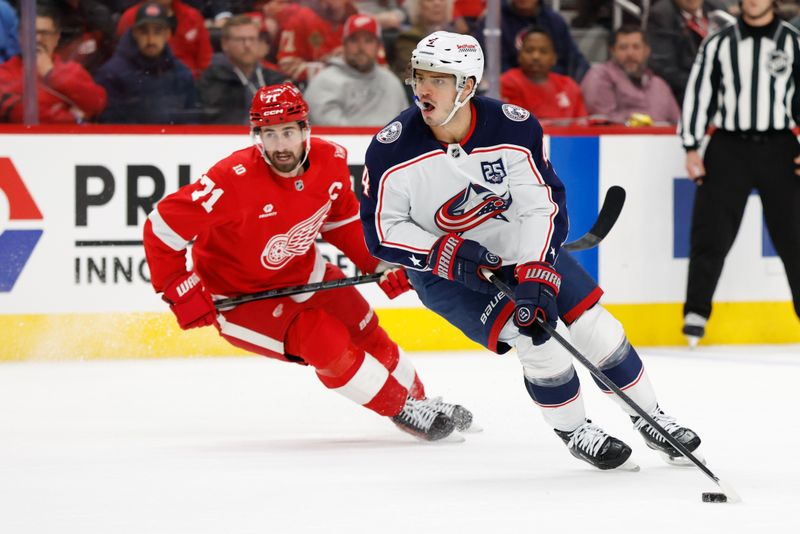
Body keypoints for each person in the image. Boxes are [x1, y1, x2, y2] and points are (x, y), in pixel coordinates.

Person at [360, 31, 702, 470]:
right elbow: (382, 231)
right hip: (445, 274)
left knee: (596, 326)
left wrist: (535, 270)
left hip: (517, 249)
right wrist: (446, 252)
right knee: (536, 337)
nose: (423, 89)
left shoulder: (513, 126)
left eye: (439, 79)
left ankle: (652, 417)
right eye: (419, 77)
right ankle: (576, 429)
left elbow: (541, 205)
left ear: (467, 85)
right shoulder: (391, 149)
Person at [143, 82, 473, 442]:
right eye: (269, 134)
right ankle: (402, 409)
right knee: (321, 337)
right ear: (257, 136)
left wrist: (376, 263)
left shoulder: (330, 160)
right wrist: (178, 286)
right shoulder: (230, 180)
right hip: (240, 299)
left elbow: (342, 219)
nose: (281, 145)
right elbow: (161, 227)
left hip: (306, 274)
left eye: (288, 132)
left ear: (305, 130)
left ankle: (421, 400)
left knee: (365, 328)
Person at [679, 0, 800, 346]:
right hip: (729, 147)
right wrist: (690, 145)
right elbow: (699, 93)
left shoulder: (793, 42)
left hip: (780, 147)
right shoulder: (719, 43)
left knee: (794, 238)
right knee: (710, 233)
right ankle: (696, 313)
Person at [0, 5, 106, 123]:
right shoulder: (4, 73)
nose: (38, 39)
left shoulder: (73, 70)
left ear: (56, 37)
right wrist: (73, 118)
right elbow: (21, 114)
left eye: (45, 33)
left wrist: (51, 73)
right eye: (31, 33)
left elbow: (97, 104)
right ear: (20, 36)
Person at [95, 2, 197, 124]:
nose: (150, 40)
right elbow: (108, 127)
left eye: (157, 32)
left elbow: (192, 123)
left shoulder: (181, 74)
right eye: (144, 32)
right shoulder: (111, 74)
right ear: (135, 33)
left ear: (167, 34)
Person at [304, 13, 407, 126]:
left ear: (378, 46)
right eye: (354, 40)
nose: (361, 47)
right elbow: (330, 131)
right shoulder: (324, 82)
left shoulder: (391, 82)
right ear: (344, 44)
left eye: (368, 41)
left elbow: (405, 125)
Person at [580, 25, 680, 125]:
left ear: (647, 51)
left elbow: (678, 124)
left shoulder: (659, 85)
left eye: (636, 47)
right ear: (612, 51)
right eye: (623, 48)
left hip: (662, 140)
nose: (630, 53)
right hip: (617, 140)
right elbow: (602, 122)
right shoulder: (600, 76)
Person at [198, 14, 286, 124]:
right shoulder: (213, 80)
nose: (247, 45)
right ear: (225, 43)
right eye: (241, 39)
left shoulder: (274, 79)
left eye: (252, 39)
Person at [474, 0, 589, 82]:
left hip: (553, 90)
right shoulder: (492, 22)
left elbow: (574, 61)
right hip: (511, 89)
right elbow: (488, 66)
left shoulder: (555, 21)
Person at [500, 27, 586, 122]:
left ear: (554, 58)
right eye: (529, 50)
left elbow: (582, 124)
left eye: (543, 51)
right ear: (519, 56)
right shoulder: (507, 82)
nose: (535, 56)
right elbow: (515, 125)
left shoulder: (569, 85)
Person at [647, 0, 723, 104]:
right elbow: (664, 68)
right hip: (685, 90)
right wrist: (704, 84)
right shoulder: (662, 14)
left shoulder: (716, 10)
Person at [116, 0, 213, 78]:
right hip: (146, 86)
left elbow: (205, 61)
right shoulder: (130, 18)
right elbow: (123, 63)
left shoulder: (193, 16)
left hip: (191, 86)